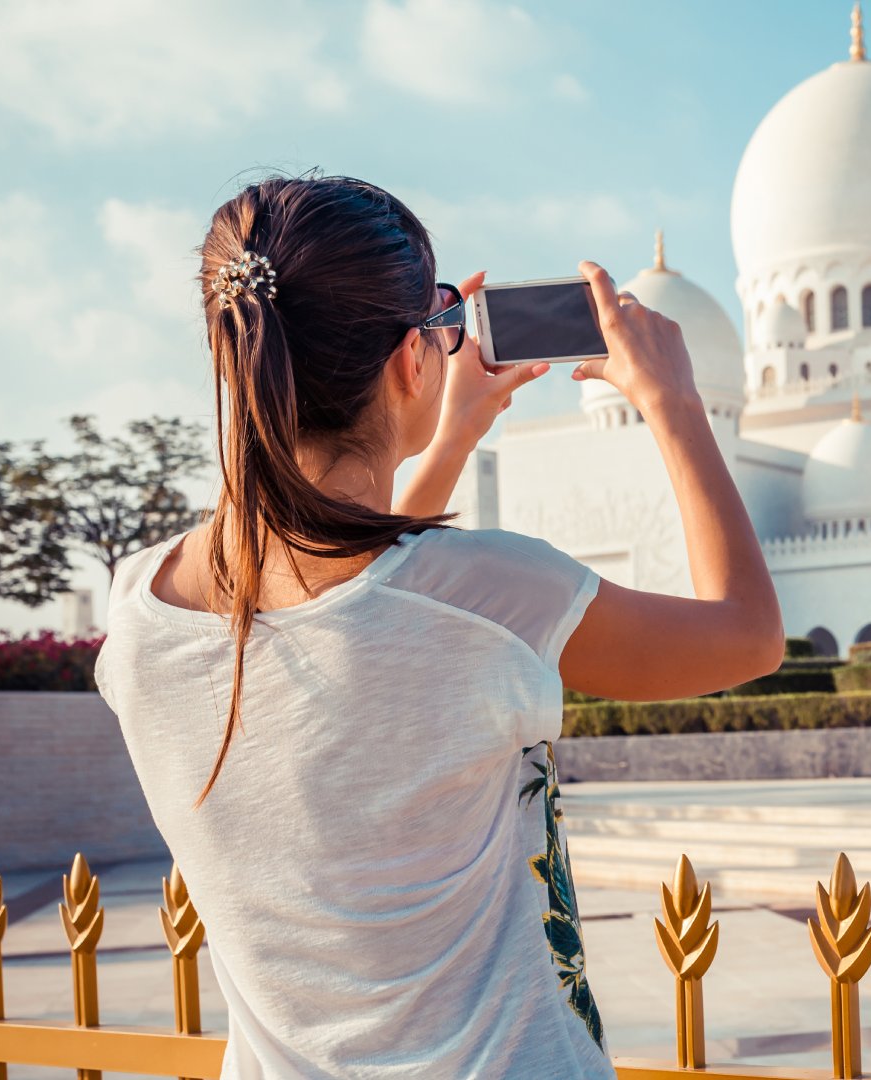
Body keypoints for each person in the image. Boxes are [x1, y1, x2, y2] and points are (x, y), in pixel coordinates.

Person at [96, 174, 782, 1078]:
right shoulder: (493, 597)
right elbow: (747, 634)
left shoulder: (140, 608)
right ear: (411, 361)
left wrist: (449, 437)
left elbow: (355, 612)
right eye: (441, 320)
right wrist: (675, 404)